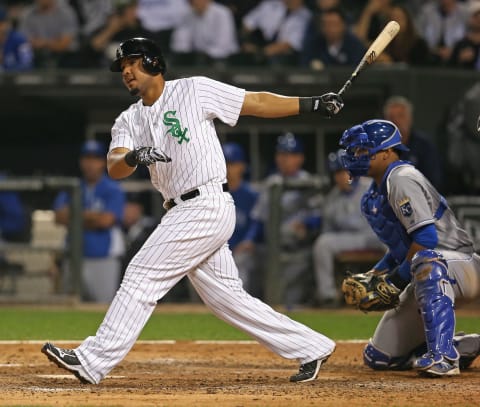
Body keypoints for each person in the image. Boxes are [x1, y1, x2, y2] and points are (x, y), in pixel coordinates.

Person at [41, 36, 344, 384]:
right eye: (122, 67)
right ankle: (312, 347)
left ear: (154, 63)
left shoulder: (194, 90)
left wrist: (312, 104)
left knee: (142, 273)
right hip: (180, 210)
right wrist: (133, 157)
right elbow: (114, 165)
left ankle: (92, 360)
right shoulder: (128, 119)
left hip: (206, 203)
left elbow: (256, 102)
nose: (126, 72)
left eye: (132, 63)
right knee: (226, 299)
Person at [338, 119, 480, 376]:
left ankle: (444, 357)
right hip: (426, 270)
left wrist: (393, 282)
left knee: (425, 261)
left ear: (387, 152)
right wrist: (376, 274)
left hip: (461, 265)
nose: (355, 156)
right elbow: (401, 250)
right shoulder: (373, 195)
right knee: (380, 358)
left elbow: (425, 239)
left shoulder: (401, 177)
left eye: (362, 150)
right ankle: (462, 345)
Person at [236, 133, 318, 307]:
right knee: (243, 257)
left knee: (289, 302)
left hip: (297, 251)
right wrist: (250, 240)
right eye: (281, 154)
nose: (284, 159)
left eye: (289, 155)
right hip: (269, 249)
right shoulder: (272, 182)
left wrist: (306, 224)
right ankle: (237, 305)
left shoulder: (309, 182)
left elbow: (319, 215)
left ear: (300, 158)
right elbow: (258, 218)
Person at [53, 140, 126, 303]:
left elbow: (106, 221)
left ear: (103, 162)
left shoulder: (112, 188)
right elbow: (59, 217)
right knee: (69, 307)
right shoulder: (73, 186)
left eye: (95, 158)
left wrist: (74, 217)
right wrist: (93, 217)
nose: (90, 163)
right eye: (87, 158)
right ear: (81, 161)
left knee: (103, 307)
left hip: (104, 258)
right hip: (74, 257)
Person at [312, 149, 384, 308]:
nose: (341, 176)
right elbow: (327, 229)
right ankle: (328, 296)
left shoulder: (371, 187)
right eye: (337, 172)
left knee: (394, 241)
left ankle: (397, 290)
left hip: (376, 236)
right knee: (323, 243)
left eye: (345, 170)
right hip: (351, 239)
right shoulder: (332, 198)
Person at [382, 95, 443, 191]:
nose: (396, 121)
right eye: (391, 117)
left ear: (410, 119)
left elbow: (433, 181)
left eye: (401, 116)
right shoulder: (377, 147)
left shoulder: (424, 146)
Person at [221, 142, 258, 293]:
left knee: (242, 259)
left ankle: (239, 300)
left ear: (242, 166)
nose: (227, 169)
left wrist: (249, 240)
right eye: (224, 163)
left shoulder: (251, 196)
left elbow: (256, 224)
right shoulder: (211, 194)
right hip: (216, 249)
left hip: (241, 250)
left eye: (232, 164)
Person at [240, 0, 312, 66]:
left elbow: (288, 45)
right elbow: (247, 24)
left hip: (281, 59)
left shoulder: (305, 17)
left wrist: (260, 52)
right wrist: (246, 42)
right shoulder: (270, 5)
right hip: (256, 49)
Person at [170, 0, 239, 66]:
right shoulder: (187, 14)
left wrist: (204, 54)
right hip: (197, 59)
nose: (196, 2)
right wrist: (185, 54)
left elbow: (224, 44)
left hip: (225, 59)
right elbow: (180, 42)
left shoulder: (222, 13)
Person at [19, 0, 80, 68]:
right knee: (24, 52)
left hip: (65, 55)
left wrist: (44, 43)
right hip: (38, 55)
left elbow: (65, 43)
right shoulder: (27, 14)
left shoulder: (66, 12)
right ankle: (25, 70)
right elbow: (24, 42)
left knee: (71, 58)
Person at [301, 6, 366, 69]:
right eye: (326, 24)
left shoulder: (355, 46)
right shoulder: (313, 45)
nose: (330, 29)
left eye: (334, 24)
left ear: (343, 26)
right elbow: (304, 67)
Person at [415, 0, 469, 65]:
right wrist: (434, 50)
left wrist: (454, 51)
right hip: (429, 53)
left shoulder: (465, 12)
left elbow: (470, 34)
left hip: (456, 55)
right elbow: (418, 33)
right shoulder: (426, 11)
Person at [0, 6, 33, 71]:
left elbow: (28, 63)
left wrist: (5, 65)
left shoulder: (20, 40)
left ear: (7, 23)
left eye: (1, 24)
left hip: (15, 79)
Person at [448, 3, 480, 70]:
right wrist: (460, 59)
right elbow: (451, 67)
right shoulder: (461, 44)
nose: (478, 19)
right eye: (475, 16)